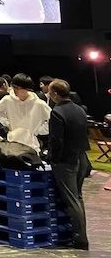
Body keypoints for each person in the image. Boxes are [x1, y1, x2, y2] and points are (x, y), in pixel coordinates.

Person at [46, 79, 89, 250]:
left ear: (55, 94)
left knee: (72, 200)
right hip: (82, 157)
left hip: (66, 160)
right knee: (78, 197)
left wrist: (53, 159)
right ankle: (81, 235)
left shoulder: (57, 112)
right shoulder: (80, 109)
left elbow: (56, 140)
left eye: (50, 92)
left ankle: (80, 239)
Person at [0, 73, 50, 151]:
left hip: (31, 145)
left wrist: (38, 131)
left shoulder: (38, 103)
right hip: (12, 141)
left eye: (18, 88)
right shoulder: (8, 99)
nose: (15, 90)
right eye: (14, 87)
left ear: (27, 89)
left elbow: (51, 119)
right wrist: (7, 124)